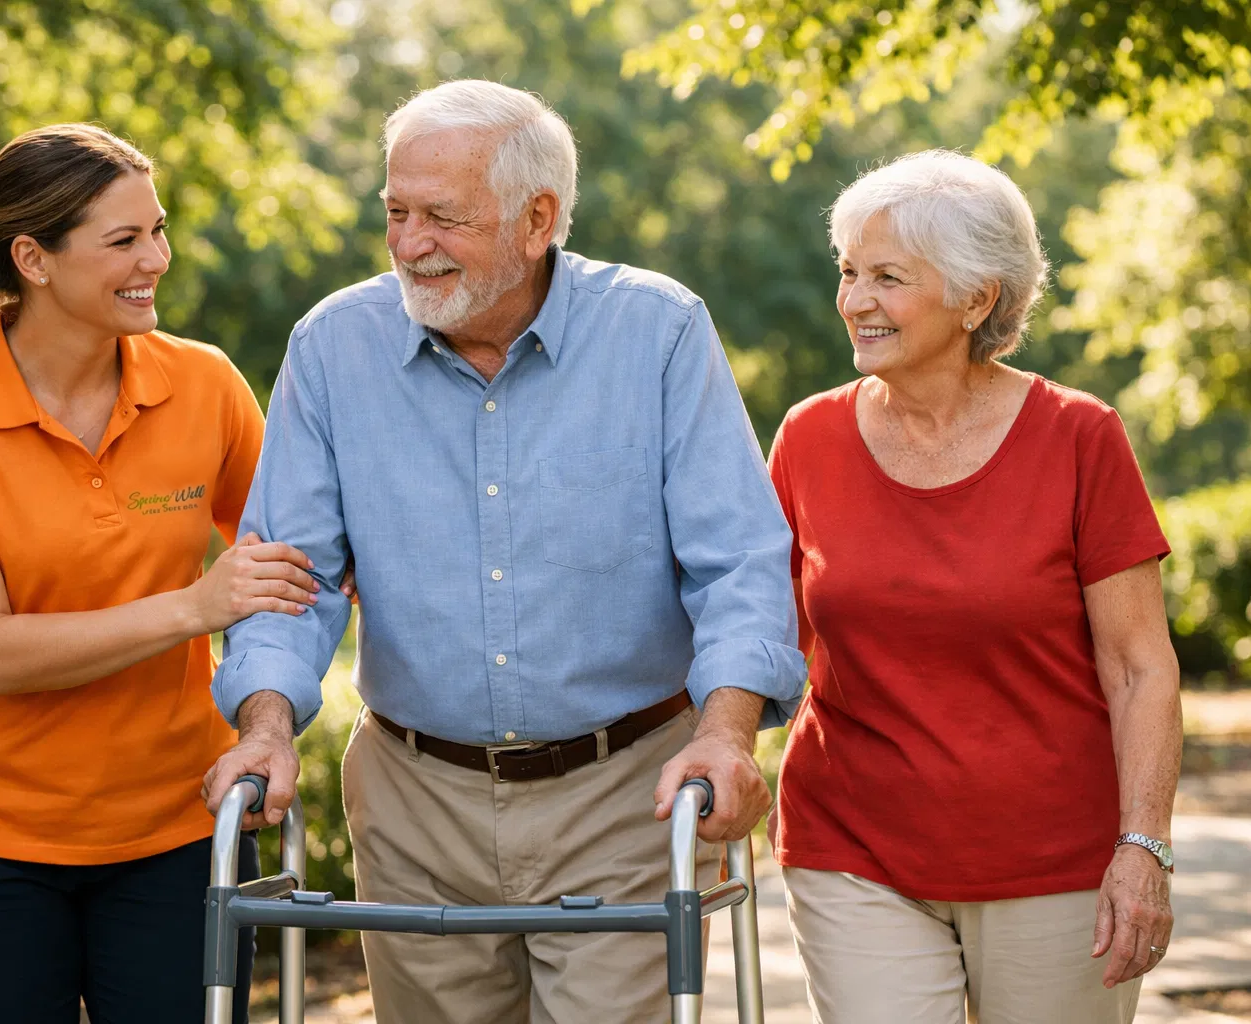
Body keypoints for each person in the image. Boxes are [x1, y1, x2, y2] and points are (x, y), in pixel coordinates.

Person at [201, 80, 807, 1023]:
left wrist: (725, 734)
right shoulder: (333, 347)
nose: (409, 243)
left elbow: (737, 561)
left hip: (622, 791)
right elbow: (296, 577)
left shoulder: (658, 330)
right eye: (396, 212)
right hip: (413, 797)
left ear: (539, 220)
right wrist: (267, 724)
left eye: (444, 217)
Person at [0, 123, 320, 1024]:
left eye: (158, 230)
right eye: (123, 240)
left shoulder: (204, 383)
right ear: (33, 259)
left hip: (177, 834)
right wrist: (192, 606)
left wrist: (269, 715)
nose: (156, 258)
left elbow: (293, 567)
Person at [767, 149, 1182, 1023]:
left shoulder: (1079, 437)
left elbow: (1142, 668)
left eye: (887, 277)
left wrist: (1143, 849)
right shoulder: (807, 438)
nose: (855, 300)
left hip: (1056, 863)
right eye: (848, 272)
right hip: (853, 846)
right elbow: (761, 628)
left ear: (977, 298)